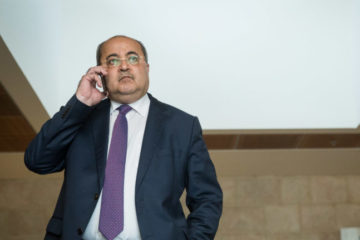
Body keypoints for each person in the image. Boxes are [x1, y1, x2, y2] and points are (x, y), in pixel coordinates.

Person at [25, 35, 222, 240]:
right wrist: (80, 102)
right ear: (100, 73)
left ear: (146, 67)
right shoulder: (81, 116)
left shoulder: (182, 126)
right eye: (113, 61)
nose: (124, 66)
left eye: (133, 58)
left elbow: (207, 198)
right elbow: (37, 161)